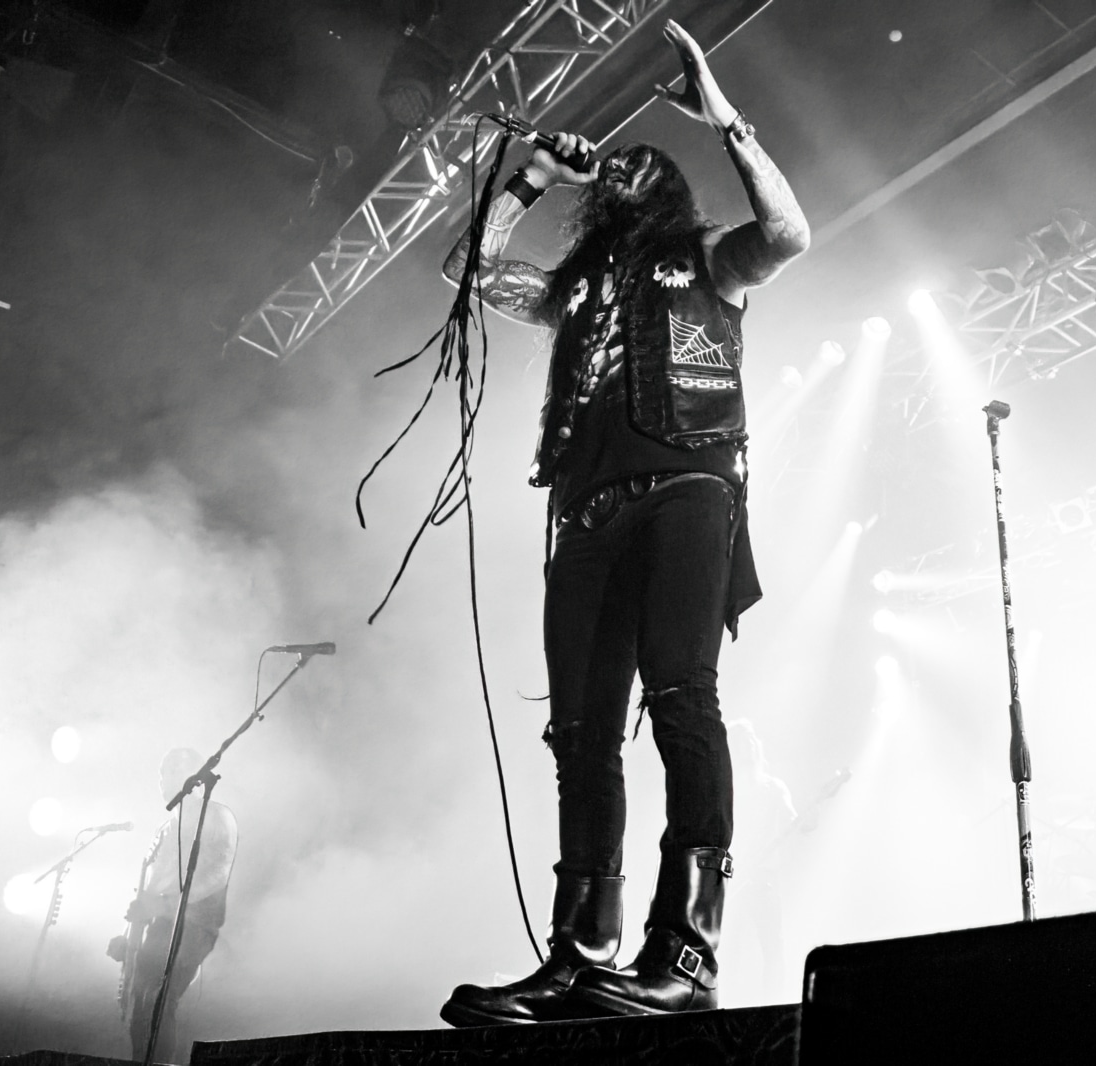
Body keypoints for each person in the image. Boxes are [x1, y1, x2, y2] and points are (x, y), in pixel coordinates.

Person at [437, 19, 808, 1024]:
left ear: (672, 193)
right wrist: (531, 182)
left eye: (649, 164)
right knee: (581, 735)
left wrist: (723, 119)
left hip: (687, 492)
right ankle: (578, 955)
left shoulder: (708, 258)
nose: (627, 168)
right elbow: (466, 271)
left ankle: (686, 953)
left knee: (682, 699)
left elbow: (787, 236)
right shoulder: (573, 290)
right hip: (587, 520)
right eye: (617, 165)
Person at [107, 747, 238, 1060]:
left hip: (195, 924)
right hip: (158, 927)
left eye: (170, 771)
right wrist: (126, 936)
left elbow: (216, 876)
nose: (162, 780)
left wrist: (165, 906)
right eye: (161, 774)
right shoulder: (165, 829)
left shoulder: (217, 815)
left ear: (193, 775)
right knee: (140, 1007)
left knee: (160, 998)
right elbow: (148, 890)